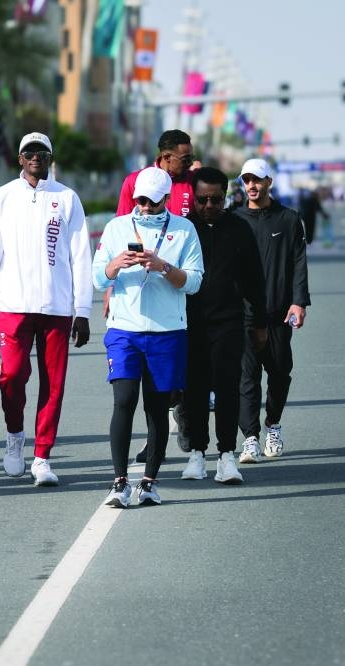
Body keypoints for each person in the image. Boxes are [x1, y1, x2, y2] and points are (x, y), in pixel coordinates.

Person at [0, 132, 93, 487]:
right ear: (20, 159)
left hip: (56, 306)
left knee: (53, 384)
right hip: (14, 304)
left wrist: (83, 309)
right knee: (12, 376)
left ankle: (43, 456)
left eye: (42, 153)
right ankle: (15, 436)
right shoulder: (4, 197)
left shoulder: (67, 198)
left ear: (49, 158)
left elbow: (80, 256)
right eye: (29, 152)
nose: (35, 158)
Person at [92, 167, 203, 508]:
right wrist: (115, 265)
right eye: (140, 200)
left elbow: (195, 282)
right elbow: (98, 278)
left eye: (153, 203)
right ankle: (119, 481)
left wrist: (164, 267)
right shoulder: (116, 227)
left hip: (167, 332)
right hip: (125, 329)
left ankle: (150, 482)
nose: (145, 207)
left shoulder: (184, 230)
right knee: (123, 400)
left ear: (167, 199)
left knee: (156, 409)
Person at [178, 166, 267, 485]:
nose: (209, 206)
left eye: (216, 199)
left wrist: (260, 323)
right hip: (189, 322)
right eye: (202, 200)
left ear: (225, 197)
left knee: (228, 388)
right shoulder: (183, 229)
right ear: (194, 197)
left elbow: (255, 280)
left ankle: (227, 455)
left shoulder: (239, 228)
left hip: (229, 321)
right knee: (194, 390)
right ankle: (197, 454)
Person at [113, 129, 196, 463]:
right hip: (139, 297)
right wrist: (111, 288)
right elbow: (122, 227)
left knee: (184, 366)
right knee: (136, 391)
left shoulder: (192, 182)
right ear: (165, 157)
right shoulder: (135, 181)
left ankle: (183, 414)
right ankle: (156, 439)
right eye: (184, 158)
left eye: (191, 158)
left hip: (183, 279)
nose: (189, 163)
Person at [233, 158, 310, 463]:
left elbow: (299, 263)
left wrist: (299, 301)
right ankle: (250, 438)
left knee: (279, 372)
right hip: (244, 314)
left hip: (279, 312)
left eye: (257, 180)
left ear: (269, 183)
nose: (251, 186)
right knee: (247, 377)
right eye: (246, 180)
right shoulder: (234, 220)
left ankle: (272, 425)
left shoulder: (288, 219)